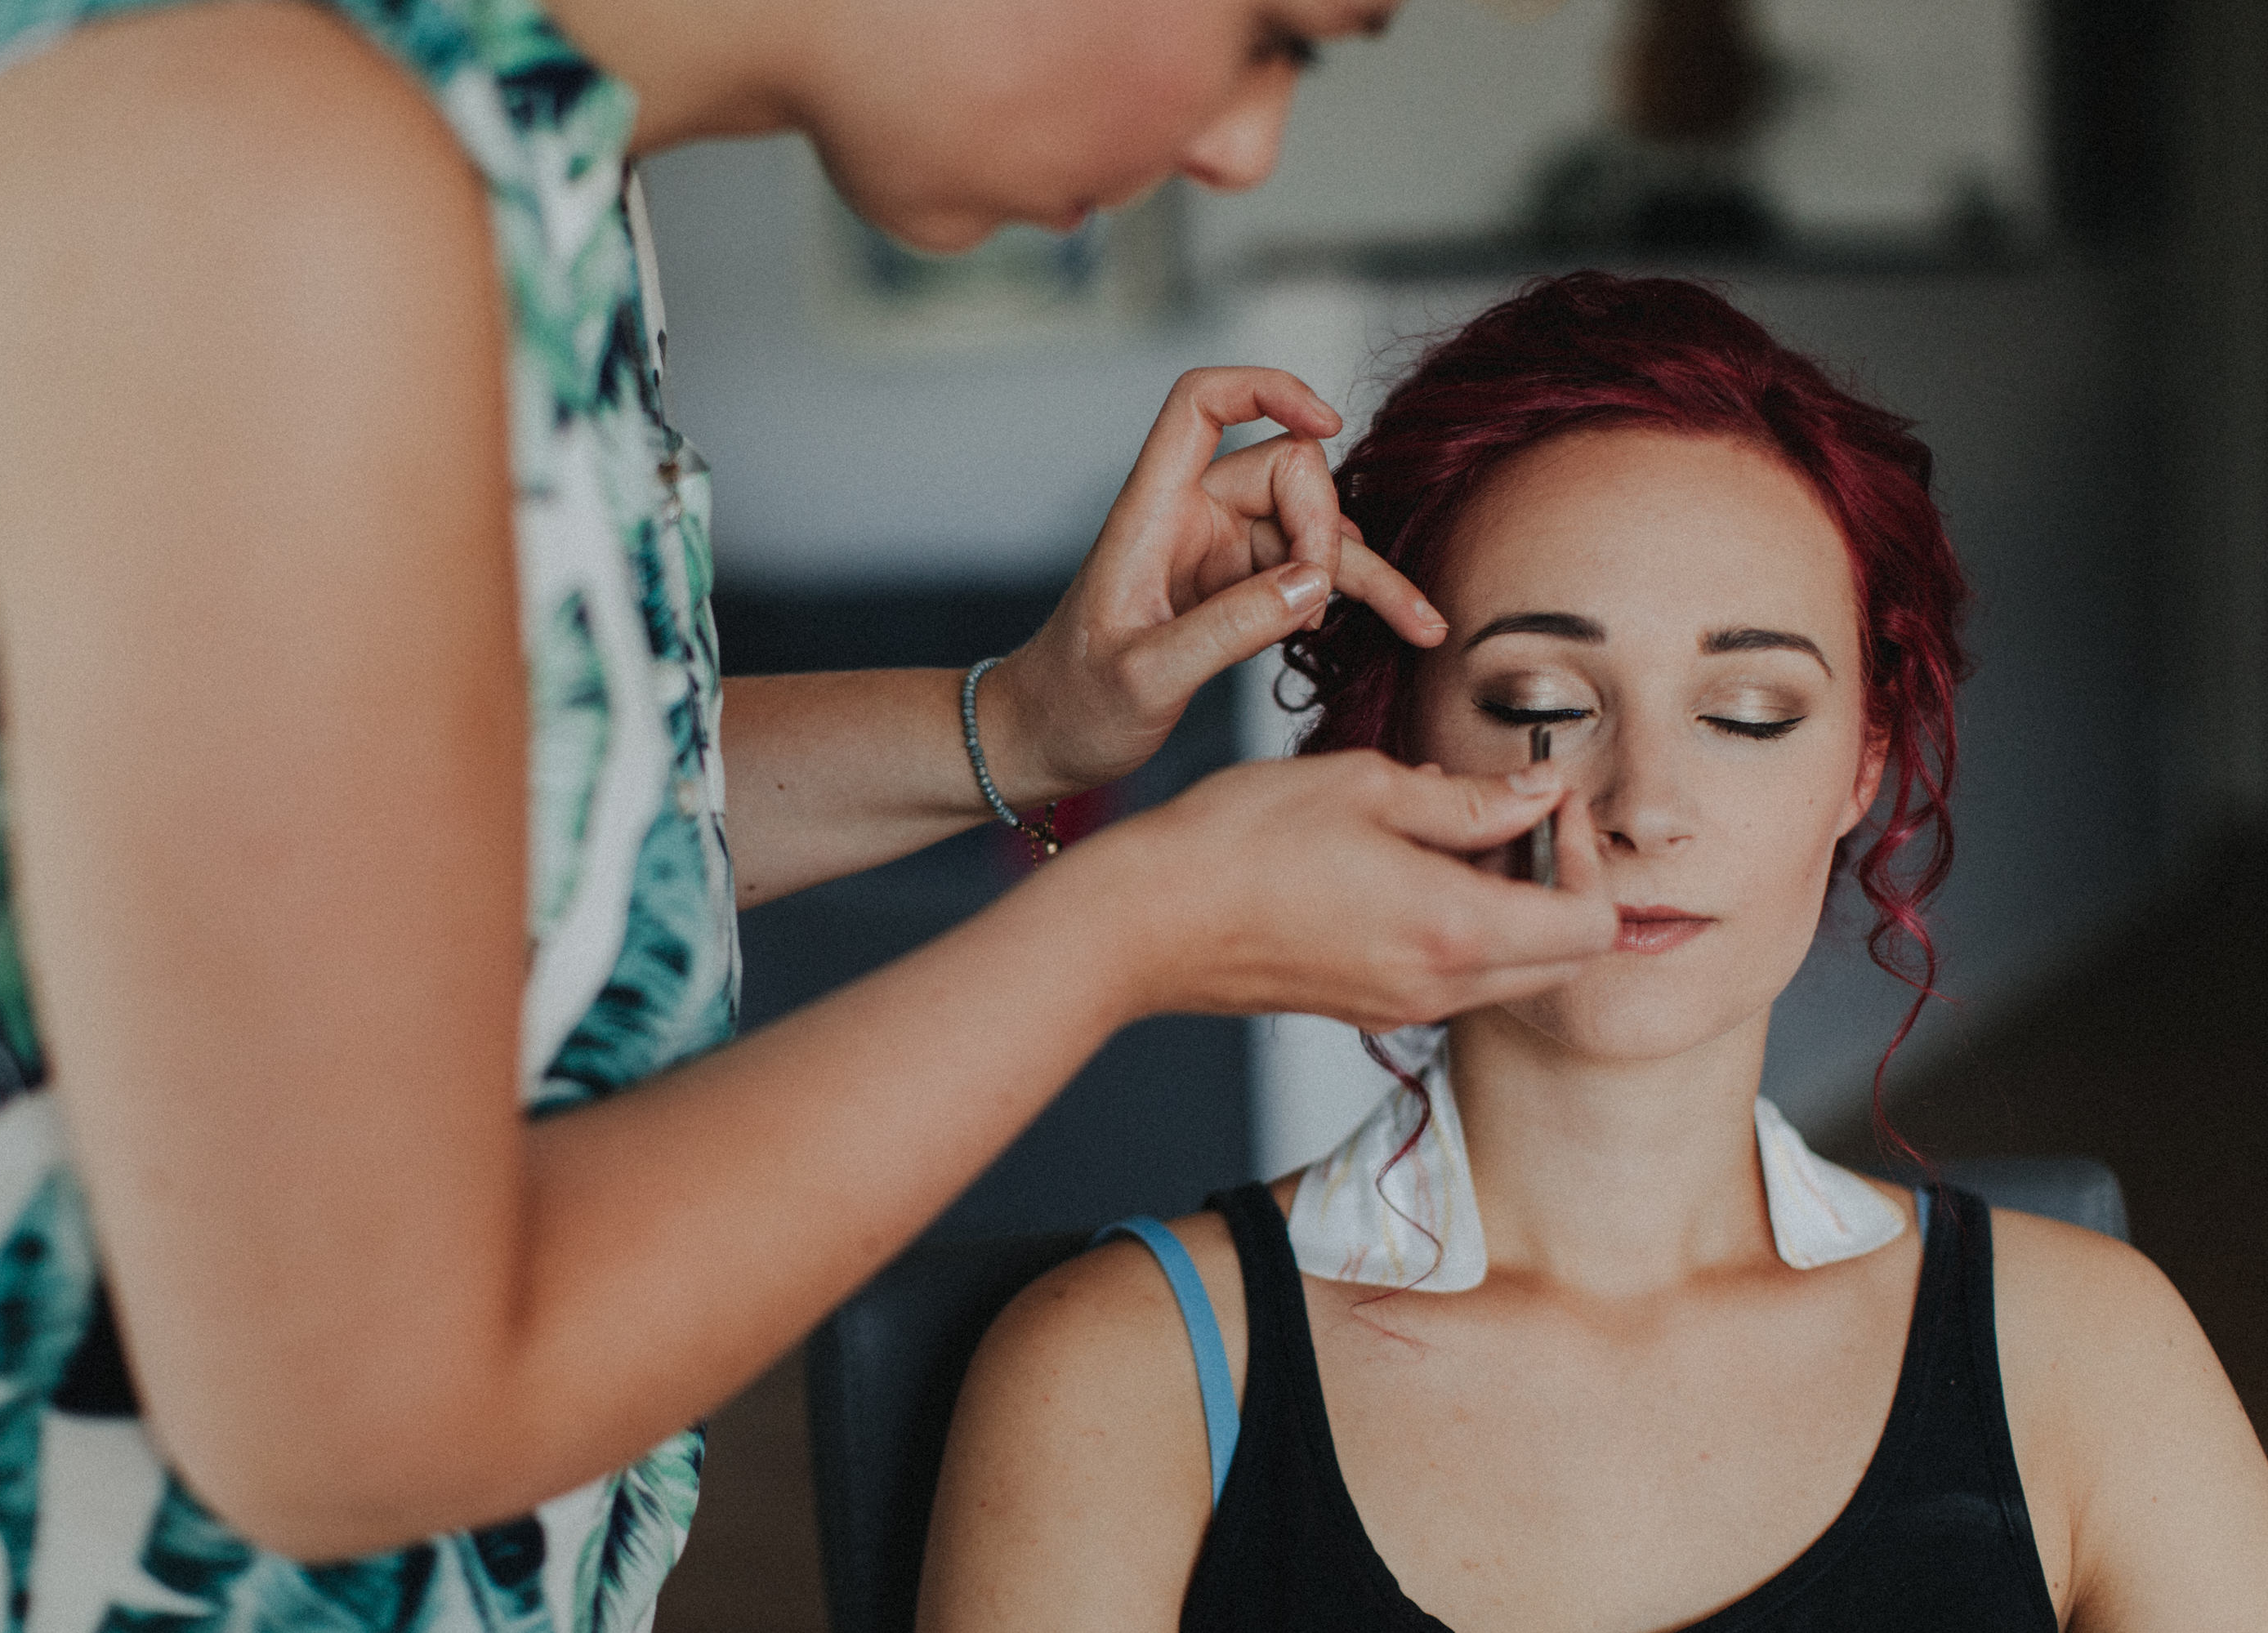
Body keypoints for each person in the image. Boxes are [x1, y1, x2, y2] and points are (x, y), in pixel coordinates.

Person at [0, 0, 1636, 1622]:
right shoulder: (264, 173)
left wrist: (1018, 722)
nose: (1245, 148)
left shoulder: (524, 184)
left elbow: (456, 866)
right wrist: (1129, 930)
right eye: (1281, 33)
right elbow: (354, 1412)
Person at [918, 274, 2268, 1632]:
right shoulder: (1120, 1377)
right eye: (1541, 703)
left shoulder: (2093, 1362)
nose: (1646, 809)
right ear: (1400, 738)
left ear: (1863, 763)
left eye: (1749, 712)